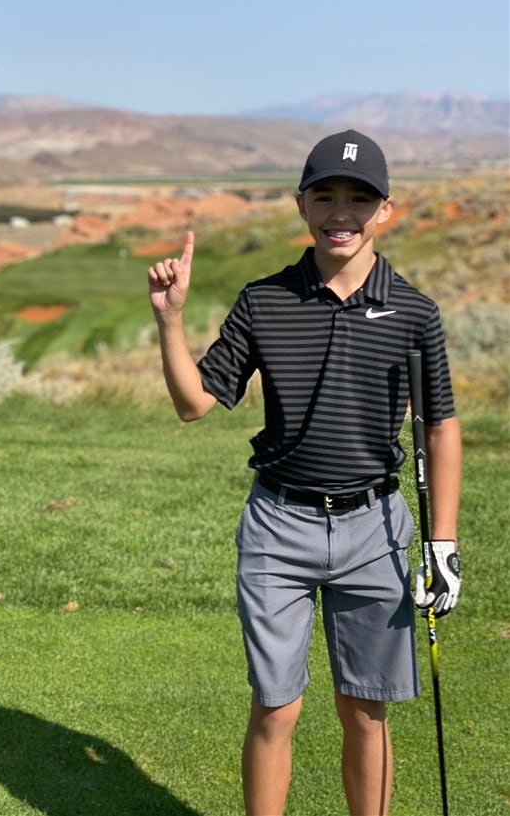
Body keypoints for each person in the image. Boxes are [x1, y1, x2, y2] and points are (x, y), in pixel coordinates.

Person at [147, 130, 462, 816]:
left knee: (366, 709)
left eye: (359, 197)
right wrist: (171, 323)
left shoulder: (413, 312)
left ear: (386, 210)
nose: (340, 211)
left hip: (374, 526)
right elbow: (194, 403)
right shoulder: (264, 301)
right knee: (276, 707)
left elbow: (440, 425)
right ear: (301, 204)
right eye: (325, 195)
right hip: (278, 527)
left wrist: (443, 541)